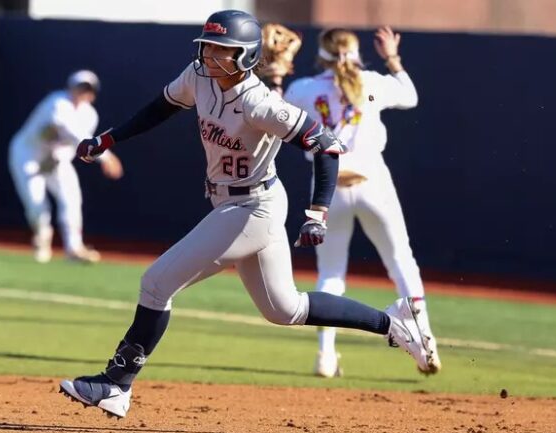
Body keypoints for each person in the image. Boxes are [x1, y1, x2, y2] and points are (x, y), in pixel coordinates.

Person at [59, 11, 436, 419]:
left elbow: (327, 145)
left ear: (246, 57)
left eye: (223, 50)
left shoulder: (259, 102)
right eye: (208, 46)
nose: (211, 55)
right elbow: (161, 107)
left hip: (254, 207)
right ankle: (394, 322)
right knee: (284, 309)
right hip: (232, 202)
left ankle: (116, 384)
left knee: (155, 283)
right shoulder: (198, 76)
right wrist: (108, 138)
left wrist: (318, 212)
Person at [284, 27, 441, 378]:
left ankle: (326, 356)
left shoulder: (304, 89)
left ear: (320, 55)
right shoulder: (370, 82)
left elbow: (276, 113)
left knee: (331, 273)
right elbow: (411, 96)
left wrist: (277, 74)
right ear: (357, 53)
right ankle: (425, 339)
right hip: (373, 180)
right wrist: (392, 57)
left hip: (328, 186)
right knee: (401, 261)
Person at [8, 70, 123, 263]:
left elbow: (78, 145)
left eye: (88, 89)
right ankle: (42, 240)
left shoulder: (89, 114)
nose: (83, 92)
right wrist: (106, 157)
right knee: (37, 206)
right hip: (27, 155)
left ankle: (74, 248)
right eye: (80, 87)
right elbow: (70, 131)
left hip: (58, 159)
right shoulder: (57, 102)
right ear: (70, 87)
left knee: (72, 198)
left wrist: (60, 158)